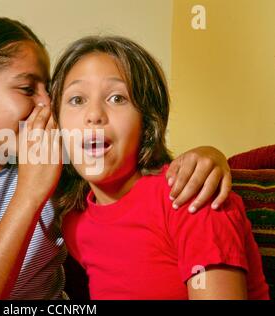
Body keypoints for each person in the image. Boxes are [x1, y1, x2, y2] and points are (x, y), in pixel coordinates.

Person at [0, 15, 233, 300]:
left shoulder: (66, 162)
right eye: (28, 89)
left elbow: (133, 173)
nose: (47, 103)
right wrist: (29, 193)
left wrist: (209, 156)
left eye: (50, 89)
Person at [52, 35, 270, 299]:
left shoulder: (191, 195)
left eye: (117, 98)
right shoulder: (73, 222)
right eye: (77, 100)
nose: (94, 114)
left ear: (148, 121)